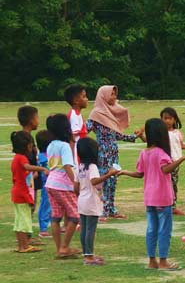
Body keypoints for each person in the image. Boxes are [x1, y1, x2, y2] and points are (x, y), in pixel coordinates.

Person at [119, 118, 185, 270]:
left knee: (151, 229)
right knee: (164, 230)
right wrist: (182, 158)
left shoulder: (144, 153)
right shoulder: (161, 153)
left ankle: (152, 261)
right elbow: (166, 169)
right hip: (163, 198)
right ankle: (163, 262)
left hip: (149, 198)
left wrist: (123, 172)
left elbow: (139, 173)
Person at [86, 85, 143, 219]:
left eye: (115, 94)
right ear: (103, 96)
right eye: (112, 94)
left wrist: (136, 136)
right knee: (104, 181)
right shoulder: (95, 114)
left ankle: (111, 209)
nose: (115, 97)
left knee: (113, 180)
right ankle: (102, 211)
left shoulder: (111, 113)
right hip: (103, 153)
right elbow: (84, 131)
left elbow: (117, 136)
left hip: (113, 152)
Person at [76, 138, 120, 266]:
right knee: (90, 229)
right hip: (91, 201)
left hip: (82, 200)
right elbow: (94, 181)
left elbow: (76, 186)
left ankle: (87, 254)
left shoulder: (81, 167)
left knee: (84, 229)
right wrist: (109, 174)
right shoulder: (92, 166)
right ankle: (89, 257)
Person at [45, 114, 81, 258]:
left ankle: (59, 248)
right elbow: (67, 166)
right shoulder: (65, 146)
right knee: (74, 216)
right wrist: (75, 182)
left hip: (51, 183)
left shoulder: (50, 145)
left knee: (56, 217)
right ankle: (65, 247)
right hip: (62, 185)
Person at [10, 131, 48, 253]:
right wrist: (42, 168)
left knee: (19, 220)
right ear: (27, 146)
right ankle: (24, 246)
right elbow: (27, 167)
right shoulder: (21, 158)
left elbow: (24, 174)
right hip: (21, 194)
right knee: (24, 221)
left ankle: (22, 245)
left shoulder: (16, 158)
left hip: (17, 193)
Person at [17, 105, 42, 245]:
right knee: (28, 207)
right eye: (37, 117)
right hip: (29, 180)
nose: (38, 120)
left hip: (33, 178)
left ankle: (28, 235)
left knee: (31, 207)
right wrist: (32, 173)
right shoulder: (24, 139)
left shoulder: (28, 137)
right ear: (30, 120)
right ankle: (26, 237)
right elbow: (23, 161)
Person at [35, 130, 53, 238]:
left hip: (52, 184)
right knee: (45, 204)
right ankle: (43, 228)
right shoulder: (43, 157)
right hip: (46, 185)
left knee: (51, 205)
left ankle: (51, 224)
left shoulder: (47, 155)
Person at [65, 84, 89, 163]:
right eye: (84, 96)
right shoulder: (73, 116)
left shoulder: (78, 115)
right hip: (76, 156)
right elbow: (72, 139)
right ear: (76, 100)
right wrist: (72, 161)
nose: (87, 99)